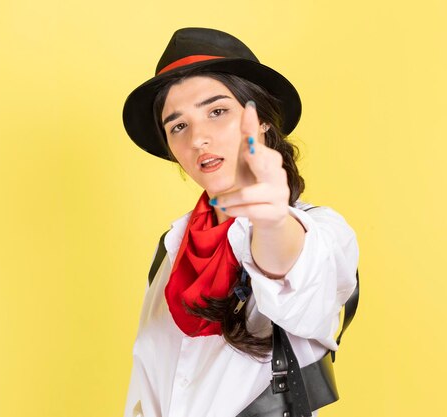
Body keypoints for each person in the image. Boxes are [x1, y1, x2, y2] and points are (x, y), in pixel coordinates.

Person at [121, 27, 359, 417]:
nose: (198, 138)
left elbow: (294, 276)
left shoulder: (321, 232)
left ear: (261, 120)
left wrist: (270, 221)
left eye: (217, 112)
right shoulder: (170, 249)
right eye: (178, 126)